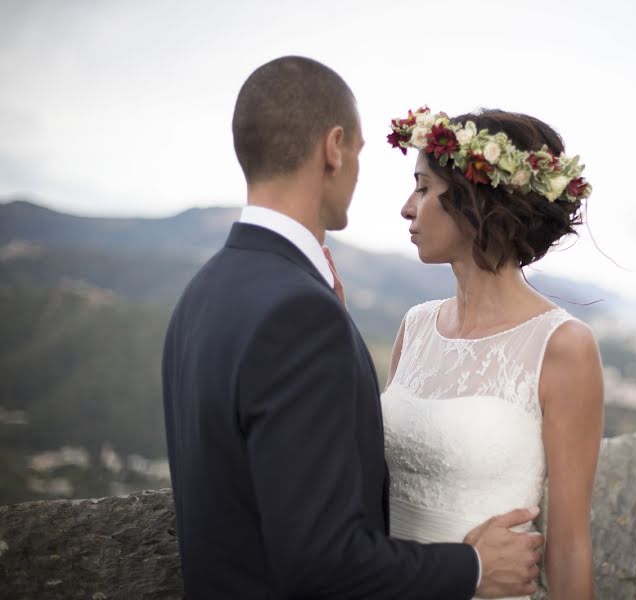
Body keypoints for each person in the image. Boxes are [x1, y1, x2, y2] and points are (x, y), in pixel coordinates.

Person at [162, 57, 544, 599]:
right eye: (362, 153)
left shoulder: (204, 291)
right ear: (334, 147)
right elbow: (321, 561)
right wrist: (473, 568)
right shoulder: (297, 314)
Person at [382, 108, 605, 599]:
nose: (406, 207)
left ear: (475, 198)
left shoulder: (563, 347)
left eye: (423, 187)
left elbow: (568, 547)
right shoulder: (415, 327)